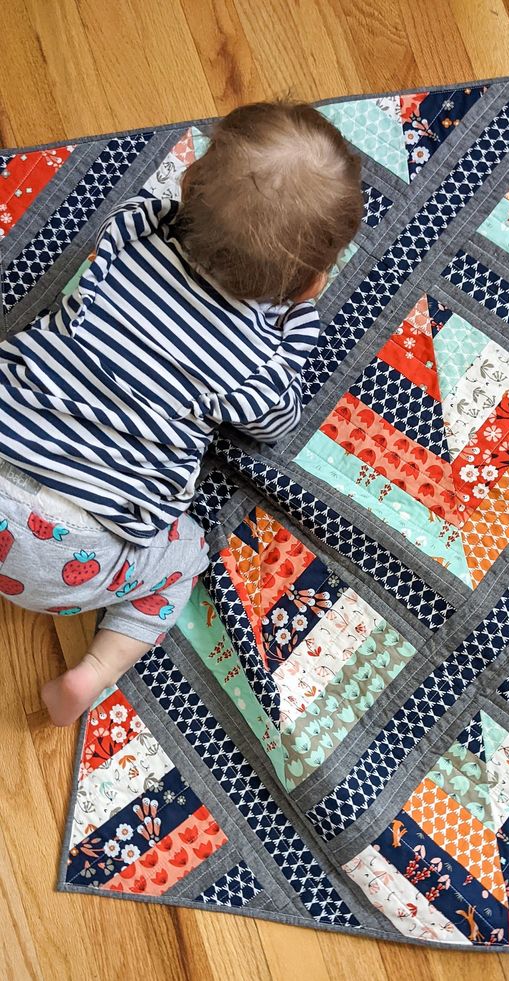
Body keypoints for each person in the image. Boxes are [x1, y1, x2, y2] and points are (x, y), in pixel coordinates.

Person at [0, 101, 363, 726]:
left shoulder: (127, 235)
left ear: (188, 185)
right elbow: (275, 422)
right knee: (185, 555)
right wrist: (297, 319)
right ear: (307, 283)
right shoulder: (252, 360)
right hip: (69, 558)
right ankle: (91, 674)